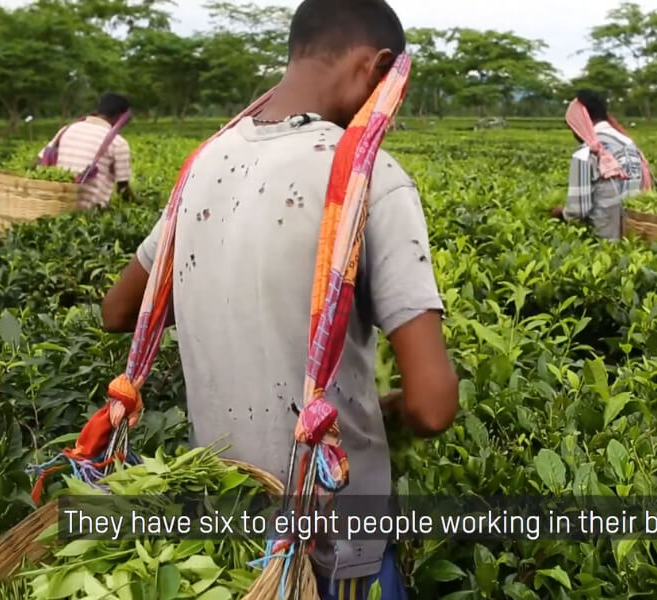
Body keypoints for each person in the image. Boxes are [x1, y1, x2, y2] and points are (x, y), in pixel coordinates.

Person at [100, 1, 459, 598]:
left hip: (227, 525)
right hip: (336, 543)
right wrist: (386, 410)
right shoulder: (370, 180)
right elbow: (432, 407)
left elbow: (118, 313)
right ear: (380, 68)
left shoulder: (203, 167)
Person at [550, 89, 651, 240]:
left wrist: (561, 213)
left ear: (581, 121)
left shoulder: (586, 152)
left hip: (603, 241)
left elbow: (578, 211)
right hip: (634, 237)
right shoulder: (628, 143)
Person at [39, 92, 135, 209]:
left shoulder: (67, 129)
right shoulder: (118, 143)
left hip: (55, 203)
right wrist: (143, 202)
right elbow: (123, 189)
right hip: (90, 210)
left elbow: (39, 160)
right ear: (121, 117)